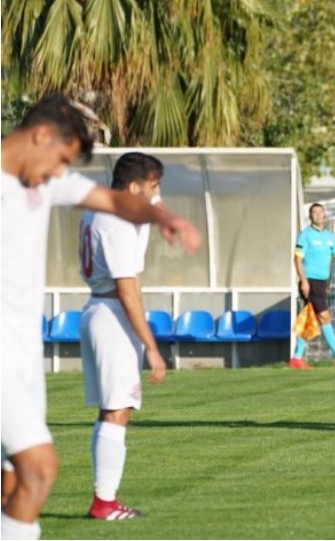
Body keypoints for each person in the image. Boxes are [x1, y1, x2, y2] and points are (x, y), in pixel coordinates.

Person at [1, 94, 200, 540]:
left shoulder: (43, 180)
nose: (59, 173)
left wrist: (163, 216)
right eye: (61, 159)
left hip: (23, 355)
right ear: (41, 135)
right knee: (40, 469)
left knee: (14, 480)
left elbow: (113, 201)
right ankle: (102, 502)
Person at [77, 152, 171, 520]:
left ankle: (105, 500)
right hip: (113, 313)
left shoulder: (100, 208)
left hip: (97, 308)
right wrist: (152, 347)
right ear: (134, 187)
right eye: (153, 186)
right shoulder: (116, 221)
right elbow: (127, 289)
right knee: (117, 411)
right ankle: (104, 503)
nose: (157, 194)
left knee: (112, 411)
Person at [292, 203, 335, 367]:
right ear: (310, 216)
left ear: (325, 216)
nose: (317, 215)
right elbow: (297, 259)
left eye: (320, 212)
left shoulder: (330, 237)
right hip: (310, 282)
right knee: (324, 317)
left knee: (311, 318)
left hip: (321, 284)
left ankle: (296, 358)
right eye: (313, 212)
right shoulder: (305, 235)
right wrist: (303, 280)